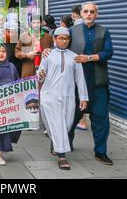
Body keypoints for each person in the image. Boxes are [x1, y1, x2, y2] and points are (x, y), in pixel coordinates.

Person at [43, 2, 114, 165]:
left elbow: (109, 52)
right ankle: (62, 146)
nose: (89, 14)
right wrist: (47, 50)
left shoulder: (103, 31)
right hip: (73, 84)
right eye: (86, 11)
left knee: (101, 118)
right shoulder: (72, 31)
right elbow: (59, 43)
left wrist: (89, 58)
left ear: (97, 14)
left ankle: (100, 152)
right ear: (80, 14)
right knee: (68, 117)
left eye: (92, 12)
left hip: (98, 82)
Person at [37, 27, 88, 170]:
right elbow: (40, 72)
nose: (64, 41)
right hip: (49, 95)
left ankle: (56, 144)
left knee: (66, 125)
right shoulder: (48, 55)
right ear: (55, 39)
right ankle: (62, 156)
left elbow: (80, 79)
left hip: (69, 96)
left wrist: (83, 97)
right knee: (57, 124)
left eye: (66, 38)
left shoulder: (74, 57)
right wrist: (40, 75)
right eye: (61, 38)